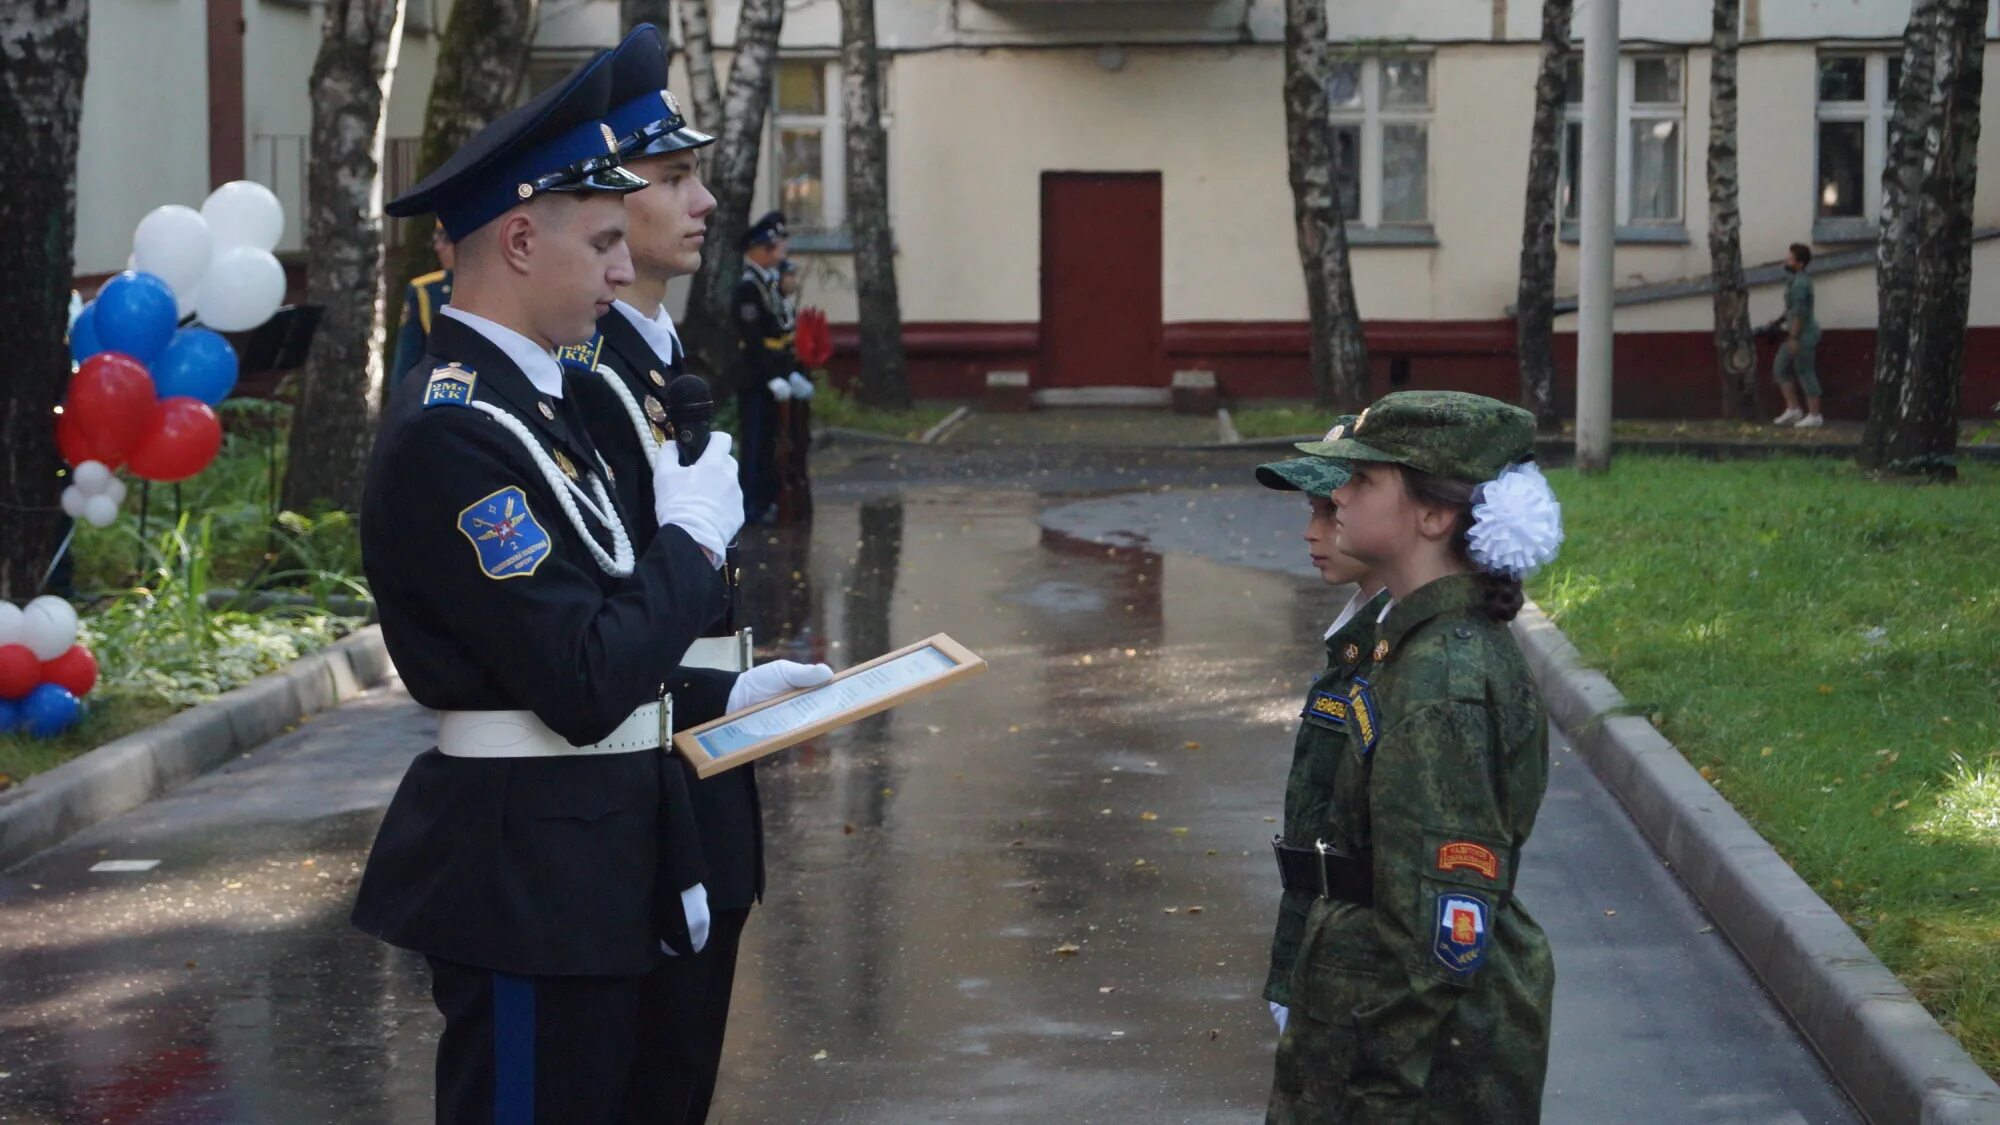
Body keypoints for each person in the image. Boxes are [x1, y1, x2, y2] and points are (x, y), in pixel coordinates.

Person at [355, 48, 827, 1122]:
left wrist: (723, 699)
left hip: (601, 863)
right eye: (605, 242)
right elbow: (577, 678)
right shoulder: (456, 434)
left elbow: (590, 637)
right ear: (520, 240)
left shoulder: (538, 408)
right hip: (530, 879)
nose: (623, 275)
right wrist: (693, 543)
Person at [563, 26, 788, 1123]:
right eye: (675, 178)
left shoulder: (652, 353)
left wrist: (743, 692)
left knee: (677, 1073)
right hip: (645, 770)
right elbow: (601, 619)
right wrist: (719, 696)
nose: (702, 202)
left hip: (696, 764)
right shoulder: (591, 373)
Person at [1265, 391, 1563, 1124]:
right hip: (1368, 1022)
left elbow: (1438, 934)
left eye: (1364, 480)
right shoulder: (1416, 646)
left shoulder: (1444, 679)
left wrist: (1376, 1094)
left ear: (1433, 515)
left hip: (1416, 1068)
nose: (1338, 494)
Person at [1252, 414, 1391, 1040]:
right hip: (1324, 947)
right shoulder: (1358, 639)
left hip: (1362, 978)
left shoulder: (1405, 655)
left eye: (1329, 512)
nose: (1312, 533)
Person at [733, 210, 807, 523]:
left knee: (774, 443)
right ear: (759, 249)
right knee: (756, 443)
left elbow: (781, 336)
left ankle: (768, 500)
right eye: (775, 246)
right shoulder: (748, 288)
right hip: (756, 378)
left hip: (774, 375)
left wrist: (790, 371)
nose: (781, 252)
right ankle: (750, 506)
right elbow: (754, 342)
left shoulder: (770, 285)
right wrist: (775, 377)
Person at [390, 220, 455, 387]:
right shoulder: (426, 290)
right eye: (436, 238)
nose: (438, 247)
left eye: (446, 238)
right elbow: (407, 363)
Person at [1766, 242, 1823, 429]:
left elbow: (1799, 313)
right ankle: (1793, 410)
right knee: (1780, 368)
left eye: (1790, 259)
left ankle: (1814, 415)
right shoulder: (1795, 281)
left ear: (1799, 263)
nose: (1786, 261)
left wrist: (1794, 338)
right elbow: (1791, 310)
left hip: (1803, 336)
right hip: (1796, 333)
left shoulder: (1800, 284)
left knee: (1805, 371)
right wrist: (1778, 320)